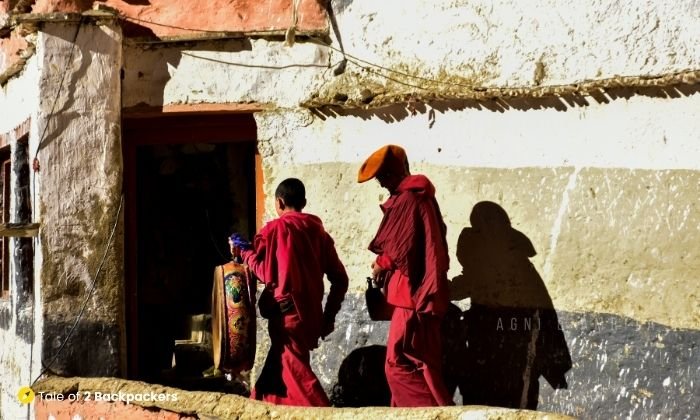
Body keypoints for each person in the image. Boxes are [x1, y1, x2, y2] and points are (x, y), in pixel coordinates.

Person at [231, 178, 349, 406]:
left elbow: (265, 273)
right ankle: (259, 407)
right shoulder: (320, 235)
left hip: (287, 318)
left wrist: (244, 252)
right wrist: (328, 316)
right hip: (311, 316)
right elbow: (340, 279)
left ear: (279, 202)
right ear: (303, 202)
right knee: (275, 377)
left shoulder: (275, 230)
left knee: (299, 380)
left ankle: (323, 414)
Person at [357, 144, 453, 407]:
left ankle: (429, 414)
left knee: (398, 364)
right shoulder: (423, 196)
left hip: (411, 297)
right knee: (423, 365)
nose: (383, 184)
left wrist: (381, 264)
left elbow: (402, 245)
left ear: (394, 172)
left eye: (384, 177)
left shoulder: (408, 198)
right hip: (422, 294)